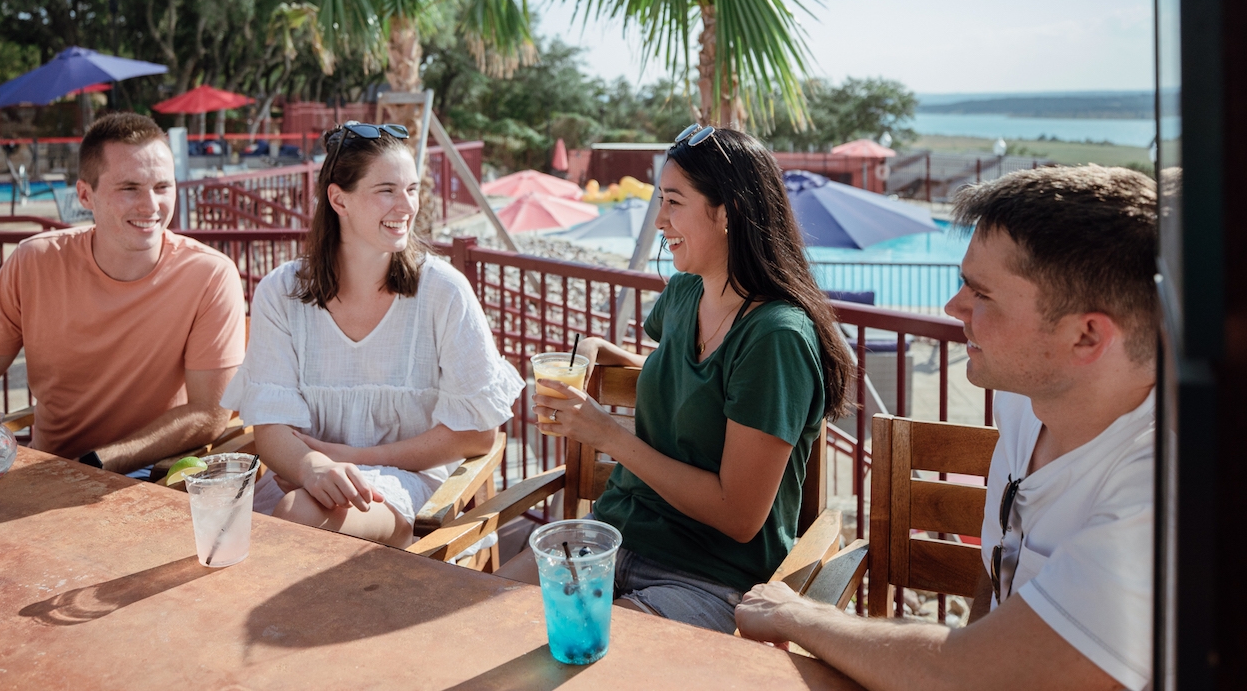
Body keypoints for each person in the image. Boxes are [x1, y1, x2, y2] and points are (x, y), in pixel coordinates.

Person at [736, 165, 1157, 691]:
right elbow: (997, 572)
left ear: (1087, 336)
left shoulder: (1158, 494)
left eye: (981, 294)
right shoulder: (1024, 403)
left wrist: (800, 616)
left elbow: (972, 675)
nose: (951, 306)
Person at [500, 124, 856, 634]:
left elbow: (740, 515)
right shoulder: (687, 293)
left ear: (728, 211)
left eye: (673, 202)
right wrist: (608, 355)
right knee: (485, 623)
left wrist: (607, 435)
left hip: (703, 575)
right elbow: (690, 376)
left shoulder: (776, 338)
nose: (660, 218)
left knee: (571, 653)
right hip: (609, 537)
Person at [221, 121, 523, 548]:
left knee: (296, 520)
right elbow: (270, 429)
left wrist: (351, 459)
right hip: (307, 479)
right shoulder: (281, 292)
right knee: (269, 522)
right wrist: (313, 467)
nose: (407, 206)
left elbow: (478, 435)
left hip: (407, 488)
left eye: (412, 189)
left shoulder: (443, 291)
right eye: (387, 190)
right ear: (338, 199)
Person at [0, 113, 245, 475]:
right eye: (130, 188)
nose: (150, 205)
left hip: (148, 476)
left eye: (163, 186)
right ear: (85, 194)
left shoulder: (209, 274)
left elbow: (211, 412)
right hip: (45, 471)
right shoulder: (34, 261)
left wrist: (97, 463)